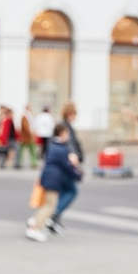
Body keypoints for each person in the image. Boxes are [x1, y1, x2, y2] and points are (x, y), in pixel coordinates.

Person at [25, 123, 82, 242]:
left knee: (48, 205)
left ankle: (34, 222)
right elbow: (67, 166)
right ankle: (35, 227)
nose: (68, 136)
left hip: (49, 178)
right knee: (50, 206)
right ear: (62, 133)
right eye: (66, 133)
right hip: (53, 180)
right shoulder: (61, 148)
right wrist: (78, 173)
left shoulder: (53, 145)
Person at [49, 102, 84, 231]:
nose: (75, 117)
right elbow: (68, 145)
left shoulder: (65, 125)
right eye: (75, 114)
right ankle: (53, 215)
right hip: (65, 165)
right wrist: (74, 159)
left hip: (63, 165)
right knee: (72, 191)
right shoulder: (65, 127)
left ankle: (54, 220)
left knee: (63, 192)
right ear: (70, 114)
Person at [17, 104, 38, 169]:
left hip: (28, 137)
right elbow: (26, 127)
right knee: (25, 150)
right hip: (26, 137)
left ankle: (33, 162)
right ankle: (19, 163)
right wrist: (31, 134)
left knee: (31, 150)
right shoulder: (25, 116)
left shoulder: (28, 116)